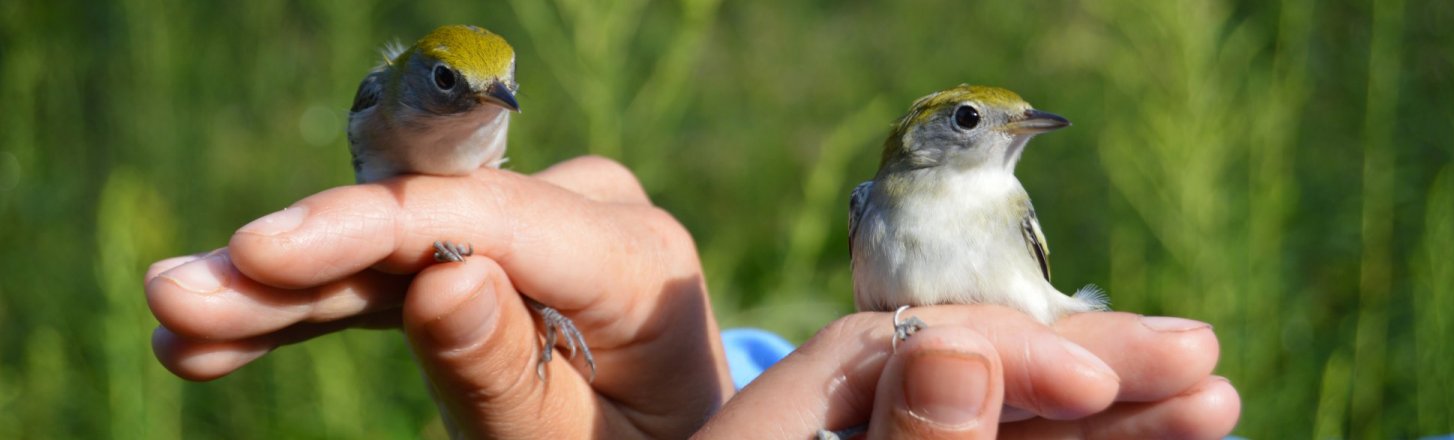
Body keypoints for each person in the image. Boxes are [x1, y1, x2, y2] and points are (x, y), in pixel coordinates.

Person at [144, 157, 1241, 438]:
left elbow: (1052, 306)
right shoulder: (877, 200)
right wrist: (722, 390)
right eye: (972, 121)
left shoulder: (1013, 207)